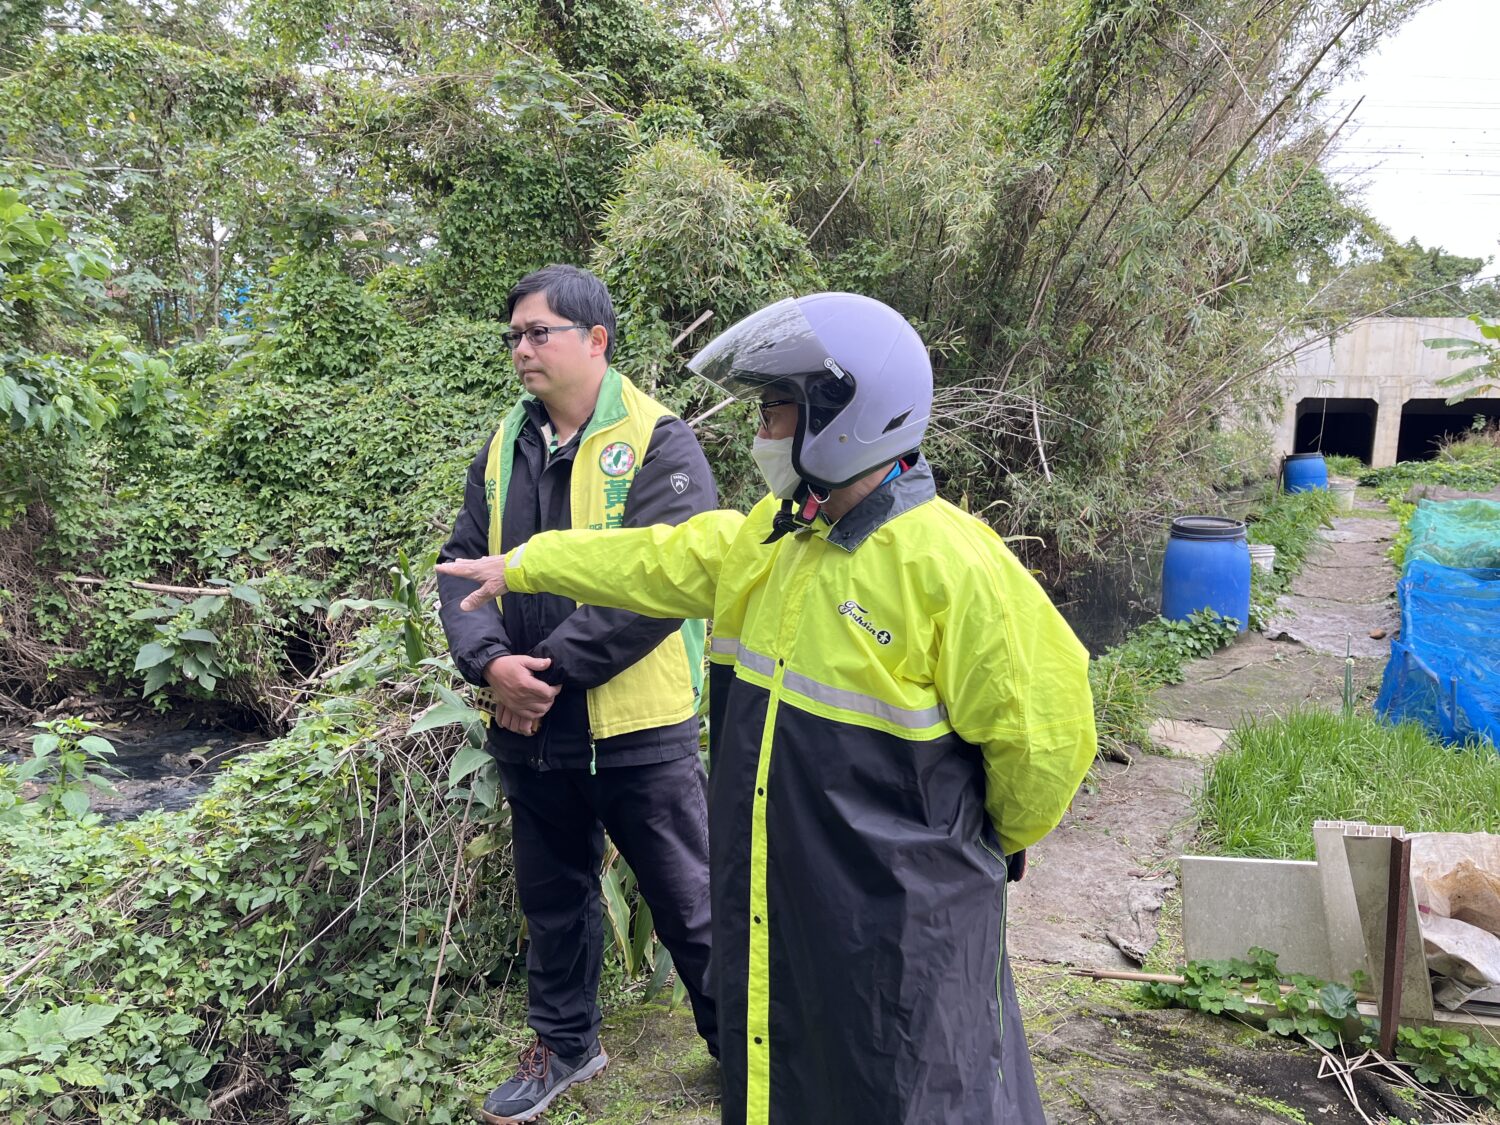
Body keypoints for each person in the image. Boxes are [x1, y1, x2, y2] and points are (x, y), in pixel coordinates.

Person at [439, 292, 1097, 1124]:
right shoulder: (772, 538)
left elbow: (1046, 740)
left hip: (908, 910)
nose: (764, 434)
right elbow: (655, 557)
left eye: (777, 410)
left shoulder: (953, 564)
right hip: (787, 892)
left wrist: (983, 838)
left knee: (914, 1079)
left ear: (843, 414)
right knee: (790, 1062)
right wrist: (528, 562)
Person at [435, 264, 719, 1125]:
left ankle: (746, 1050)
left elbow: (663, 584)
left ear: (597, 340)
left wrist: (542, 677)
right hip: (530, 728)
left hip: (638, 727)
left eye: (538, 333)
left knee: (691, 902)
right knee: (553, 898)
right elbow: (457, 565)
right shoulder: (504, 442)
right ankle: (564, 1045)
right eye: (514, 336)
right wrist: (490, 666)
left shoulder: (658, 439)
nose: (521, 349)